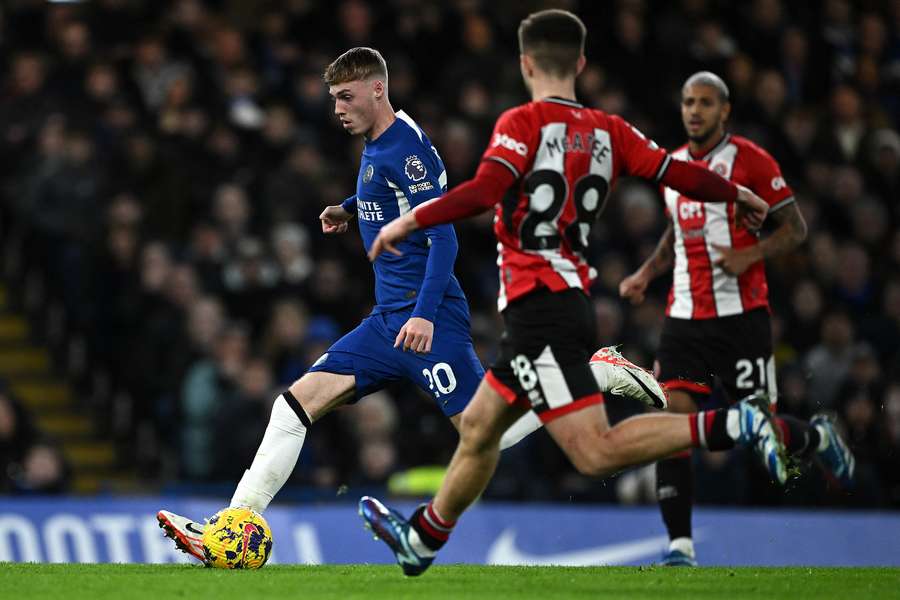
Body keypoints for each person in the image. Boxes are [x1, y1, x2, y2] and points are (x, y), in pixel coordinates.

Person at [156, 46, 664, 562]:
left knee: (485, 434)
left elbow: (443, 238)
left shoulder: (410, 150)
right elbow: (391, 195)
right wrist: (352, 209)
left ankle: (593, 371)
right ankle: (234, 527)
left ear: (378, 89)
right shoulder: (378, 144)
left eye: (346, 96)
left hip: (429, 317)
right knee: (295, 403)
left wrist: (423, 314)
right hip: (386, 321)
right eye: (333, 98)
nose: (337, 108)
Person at [359, 9, 786, 577]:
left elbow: (487, 189)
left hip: (541, 305)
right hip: (560, 301)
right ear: (580, 63)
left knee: (593, 451)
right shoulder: (610, 130)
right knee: (481, 429)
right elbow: (673, 171)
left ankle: (735, 423)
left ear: (525, 63)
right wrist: (737, 193)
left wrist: (408, 221)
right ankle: (425, 539)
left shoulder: (521, 122)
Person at [618, 71, 856, 566]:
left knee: (758, 430)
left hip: (741, 318)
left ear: (724, 110)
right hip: (682, 320)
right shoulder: (674, 166)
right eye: (688, 101)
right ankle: (679, 546)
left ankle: (817, 437)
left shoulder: (751, 160)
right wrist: (646, 272)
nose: (694, 111)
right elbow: (675, 233)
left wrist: (752, 255)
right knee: (672, 423)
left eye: (705, 102)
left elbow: (796, 228)